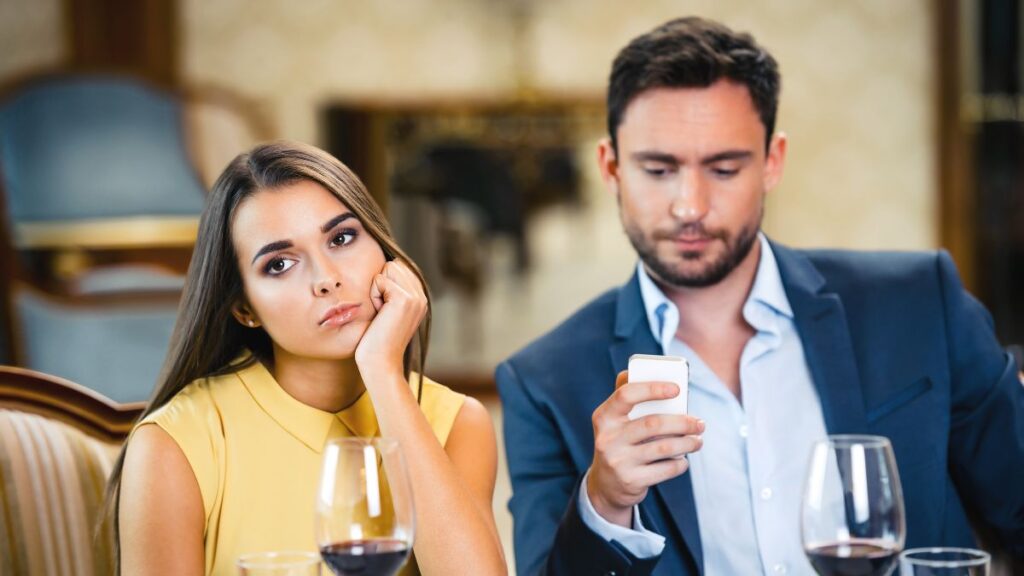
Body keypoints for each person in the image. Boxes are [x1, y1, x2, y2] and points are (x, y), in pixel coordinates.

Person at [496, 16, 1024, 576]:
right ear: (611, 167)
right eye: (658, 169)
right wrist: (604, 503)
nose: (690, 206)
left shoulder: (921, 304)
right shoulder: (543, 383)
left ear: (772, 161)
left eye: (723, 168)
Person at [109, 142, 507, 576]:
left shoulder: (456, 423)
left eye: (341, 238)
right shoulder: (176, 443)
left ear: (384, 251)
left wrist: (382, 371)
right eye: (279, 264)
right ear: (245, 309)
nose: (326, 279)